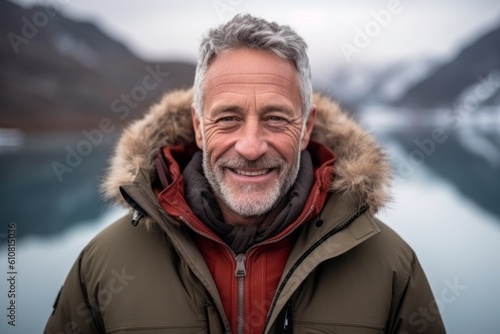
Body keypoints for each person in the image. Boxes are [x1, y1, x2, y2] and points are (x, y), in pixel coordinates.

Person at [45, 14, 446, 334]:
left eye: (275, 118)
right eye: (228, 119)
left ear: (306, 127)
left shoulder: (390, 265)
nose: (251, 147)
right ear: (199, 127)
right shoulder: (103, 263)